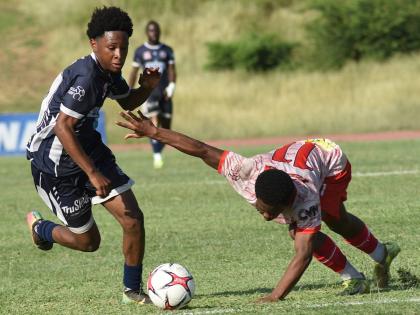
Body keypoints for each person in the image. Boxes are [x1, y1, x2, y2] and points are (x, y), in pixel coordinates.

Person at [116, 111, 401, 301]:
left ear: (287, 202)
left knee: (331, 220)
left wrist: (275, 296)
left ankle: (380, 253)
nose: (265, 216)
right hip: (295, 162)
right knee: (298, 231)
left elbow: (302, 255)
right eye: (261, 208)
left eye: (270, 211)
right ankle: (356, 276)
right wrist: (154, 131)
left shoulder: (305, 198)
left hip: (330, 160)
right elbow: (201, 149)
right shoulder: (245, 170)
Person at [25, 7, 161, 305]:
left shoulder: (108, 73)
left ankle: (132, 290)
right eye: (112, 47)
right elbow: (62, 127)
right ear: (94, 44)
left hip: (89, 151)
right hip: (55, 165)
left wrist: (147, 88)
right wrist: (91, 173)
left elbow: (127, 100)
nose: (119, 55)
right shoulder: (86, 78)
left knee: (133, 219)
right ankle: (41, 228)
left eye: (123, 48)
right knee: (88, 242)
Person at [128, 20, 176, 169]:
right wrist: (129, 91)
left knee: (167, 126)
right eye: (151, 31)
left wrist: (172, 86)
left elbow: (172, 70)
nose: (153, 33)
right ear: (147, 32)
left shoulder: (167, 50)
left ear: (159, 32)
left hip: (165, 93)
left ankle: (158, 151)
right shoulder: (140, 51)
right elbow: (134, 72)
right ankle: (156, 155)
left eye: (156, 31)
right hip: (149, 92)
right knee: (154, 122)